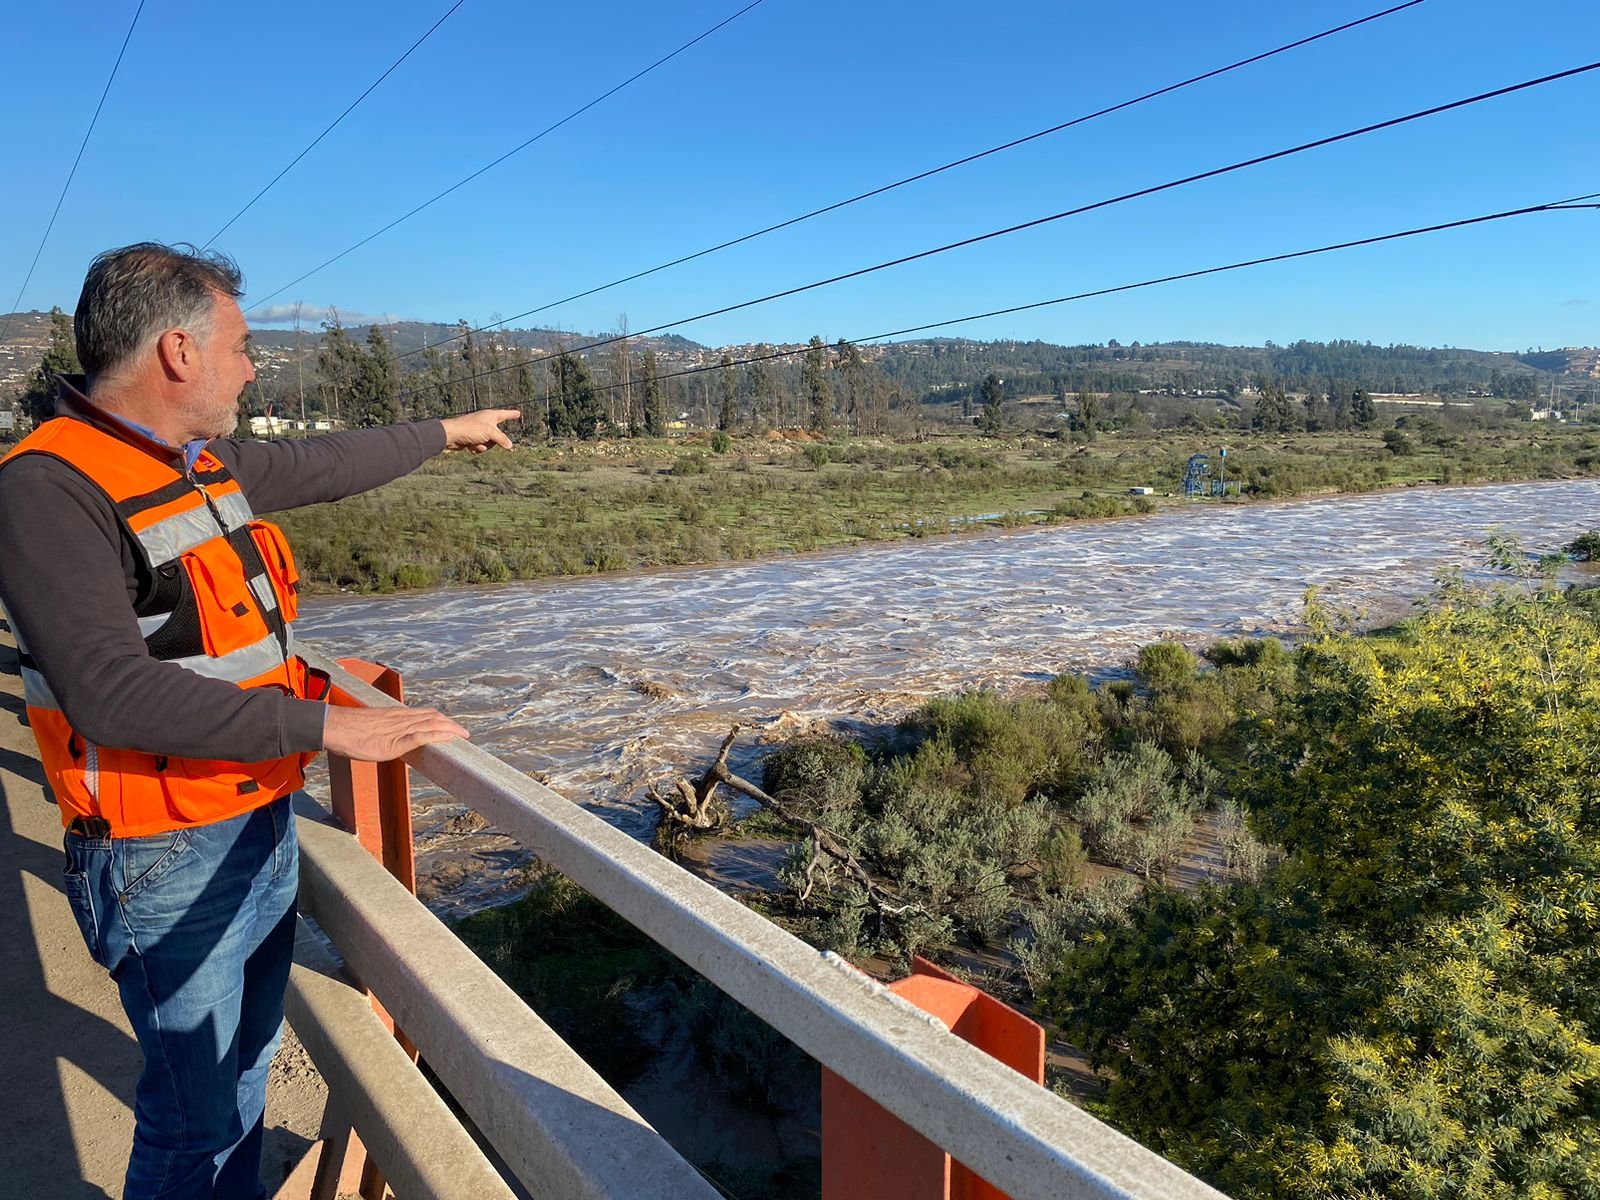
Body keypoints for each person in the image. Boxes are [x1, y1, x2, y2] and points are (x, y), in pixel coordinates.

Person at [0, 242, 519, 1200]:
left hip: (253, 817)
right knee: (195, 1121)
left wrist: (449, 430)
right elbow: (106, 689)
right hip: (159, 852)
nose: (253, 365)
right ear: (178, 353)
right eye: (241, 346)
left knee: (240, 1078)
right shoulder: (49, 489)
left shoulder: (192, 463)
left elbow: (321, 461)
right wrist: (328, 728)